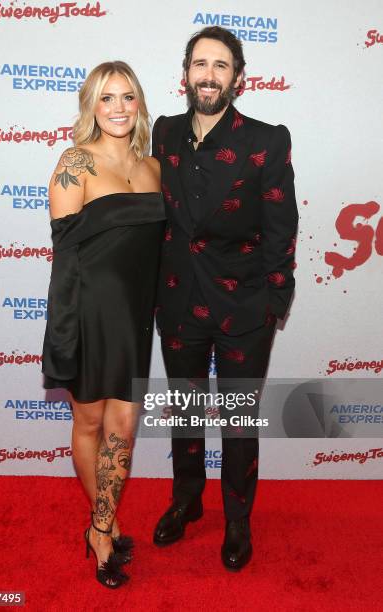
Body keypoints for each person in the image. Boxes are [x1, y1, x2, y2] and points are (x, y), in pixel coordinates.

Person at [152, 26, 298, 570]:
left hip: (244, 307)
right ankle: (187, 499)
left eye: (220, 66)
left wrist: (274, 302)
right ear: (185, 73)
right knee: (185, 412)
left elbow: (283, 226)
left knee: (238, 420)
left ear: (239, 76)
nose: (208, 75)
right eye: (199, 64)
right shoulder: (163, 134)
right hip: (177, 302)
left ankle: (237, 517)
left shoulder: (265, 140)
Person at [42, 61, 165, 588]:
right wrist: (64, 332)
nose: (118, 108)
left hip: (136, 318)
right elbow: (65, 257)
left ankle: (101, 522)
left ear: (139, 104)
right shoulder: (76, 162)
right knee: (91, 425)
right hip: (91, 313)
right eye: (106, 98)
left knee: (124, 432)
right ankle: (102, 530)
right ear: (91, 105)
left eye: (127, 97)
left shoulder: (153, 167)